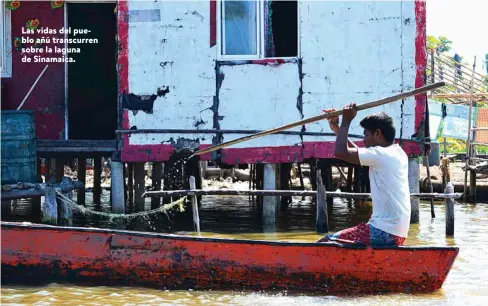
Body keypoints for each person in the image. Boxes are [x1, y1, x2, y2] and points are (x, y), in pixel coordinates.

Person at [317, 102, 411, 246]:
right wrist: (337, 129)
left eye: (366, 135)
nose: (363, 139)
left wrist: (346, 120)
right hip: (397, 233)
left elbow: (341, 152)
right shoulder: (397, 152)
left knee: (326, 242)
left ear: (378, 134)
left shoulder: (380, 154)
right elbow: (358, 153)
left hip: (382, 231)